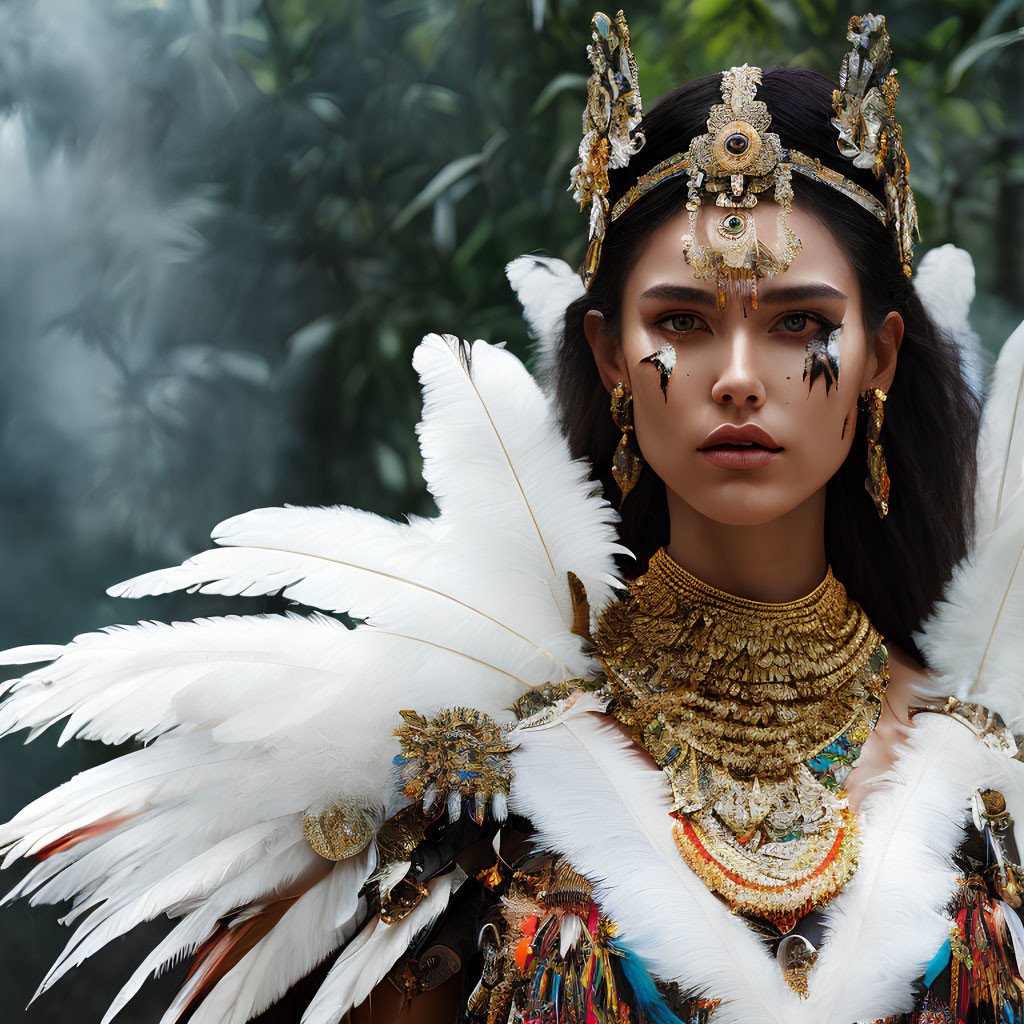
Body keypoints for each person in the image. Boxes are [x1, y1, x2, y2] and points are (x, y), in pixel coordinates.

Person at [2, 9, 1023, 1024]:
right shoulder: (464, 761)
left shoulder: (991, 764)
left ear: (879, 357)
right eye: (683, 323)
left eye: (798, 322)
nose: (740, 381)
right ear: (610, 356)